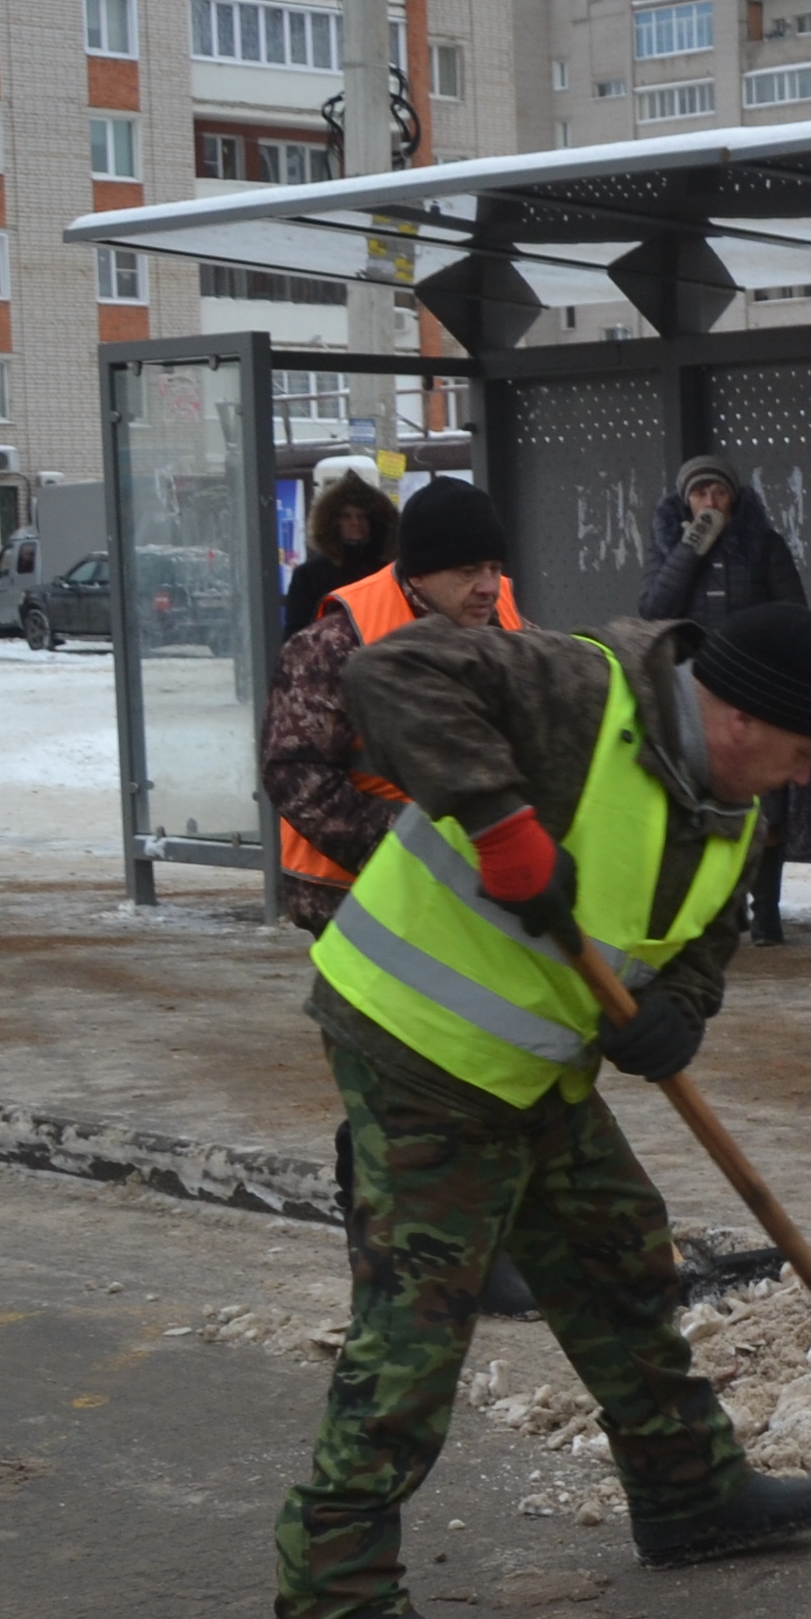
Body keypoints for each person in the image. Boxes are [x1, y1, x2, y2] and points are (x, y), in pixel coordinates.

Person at [269, 599, 811, 1619]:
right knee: (418, 1324)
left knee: (616, 1253)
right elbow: (391, 675)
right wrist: (500, 822)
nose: (802, 776)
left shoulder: (728, 805)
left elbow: (702, 936)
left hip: (532, 1067)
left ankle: (688, 1493)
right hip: (415, 1041)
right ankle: (334, 1604)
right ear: (740, 717)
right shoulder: (581, 694)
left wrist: (677, 1010)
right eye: (803, 751)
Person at [261, 476, 538, 1315]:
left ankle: (468, 1239)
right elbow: (293, 771)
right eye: (466, 571)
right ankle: (392, 1246)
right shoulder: (337, 638)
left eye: (494, 566)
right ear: (417, 573)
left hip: (465, 890)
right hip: (356, 897)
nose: (486, 587)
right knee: (395, 1074)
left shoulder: (510, 624)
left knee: (468, 1066)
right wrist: (410, 846)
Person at [637, 454, 811, 944]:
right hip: (696, 691)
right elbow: (653, 610)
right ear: (684, 500)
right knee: (706, 798)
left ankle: (767, 912)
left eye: (718, 493)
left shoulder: (763, 546)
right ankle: (720, 908)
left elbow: (793, 611)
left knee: (765, 805)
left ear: (734, 498)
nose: (710, 502)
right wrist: (690, 548)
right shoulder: (668, 546)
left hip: (758, 689)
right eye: (700, 494)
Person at [281, 456, 398, 644]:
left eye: (363, 516)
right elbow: (296, 637)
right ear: (332, 521)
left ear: (376, 521)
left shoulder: (393, 571)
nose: (356, 523)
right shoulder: (310, 576)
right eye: (347, 516)